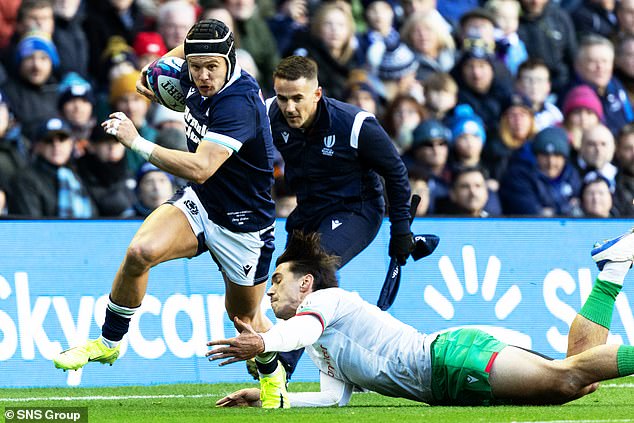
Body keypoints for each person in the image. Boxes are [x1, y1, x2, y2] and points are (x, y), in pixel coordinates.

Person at [52, 20, 279, 403]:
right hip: (203, 201)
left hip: (244, 222)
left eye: (212, 67)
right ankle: (109, 341)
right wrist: (157, 73)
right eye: (195, 66)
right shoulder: (193, 68)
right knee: (140, 252)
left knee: (245, 322)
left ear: (229, 60)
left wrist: (136, 142)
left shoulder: (239, 102)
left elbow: (201, 166)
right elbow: (156, 73)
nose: (203, 76)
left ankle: (273, 375)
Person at [207, 228, 634, 408]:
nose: (271, 288)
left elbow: (299, 330)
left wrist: (264, 342)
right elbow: (333, 399)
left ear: (307, 285)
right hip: (446, 381)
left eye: (279, 279)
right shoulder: (322, 346)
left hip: (450, 359)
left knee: (567, 379)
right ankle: (613, 270)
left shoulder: (329, 301)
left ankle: (614, 269)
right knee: (579, 375)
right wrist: (274, 398)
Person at [265, 55, 416, 386]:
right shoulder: (268, 114)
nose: (289, 107)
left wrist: (401, 230)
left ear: (317, 94)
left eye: (297, 98)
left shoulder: (355, 124)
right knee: (284, 278)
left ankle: (281, 366)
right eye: (282, 98)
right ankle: (343, 364)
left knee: (309, 272)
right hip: (308, 211)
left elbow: (396, 171)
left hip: (357, 210)